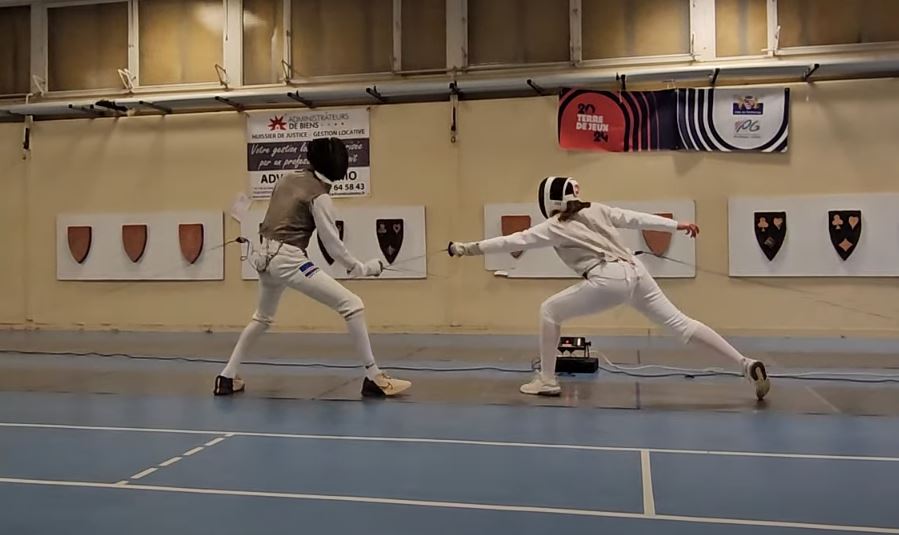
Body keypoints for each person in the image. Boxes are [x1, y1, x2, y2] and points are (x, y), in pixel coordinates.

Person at [448, 176, 770, 400]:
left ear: (550, 201)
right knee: (681, 323)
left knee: (548, 311)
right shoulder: (597, 209)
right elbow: (633, 218)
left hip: (608, 277)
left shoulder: (554, 226)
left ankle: (546, 380)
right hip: (636, 272)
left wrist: (465, 248)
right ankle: (744, 363)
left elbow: (511, 241)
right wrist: (676, 225)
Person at [214, 137, 412, 398]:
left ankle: (226, 378)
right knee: (353, 305)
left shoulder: (287, 178)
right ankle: (374, 377)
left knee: (262, 318)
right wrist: (361, 268)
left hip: (264, 257)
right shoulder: (319, 196)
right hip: (288, 259)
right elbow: (332, 243)